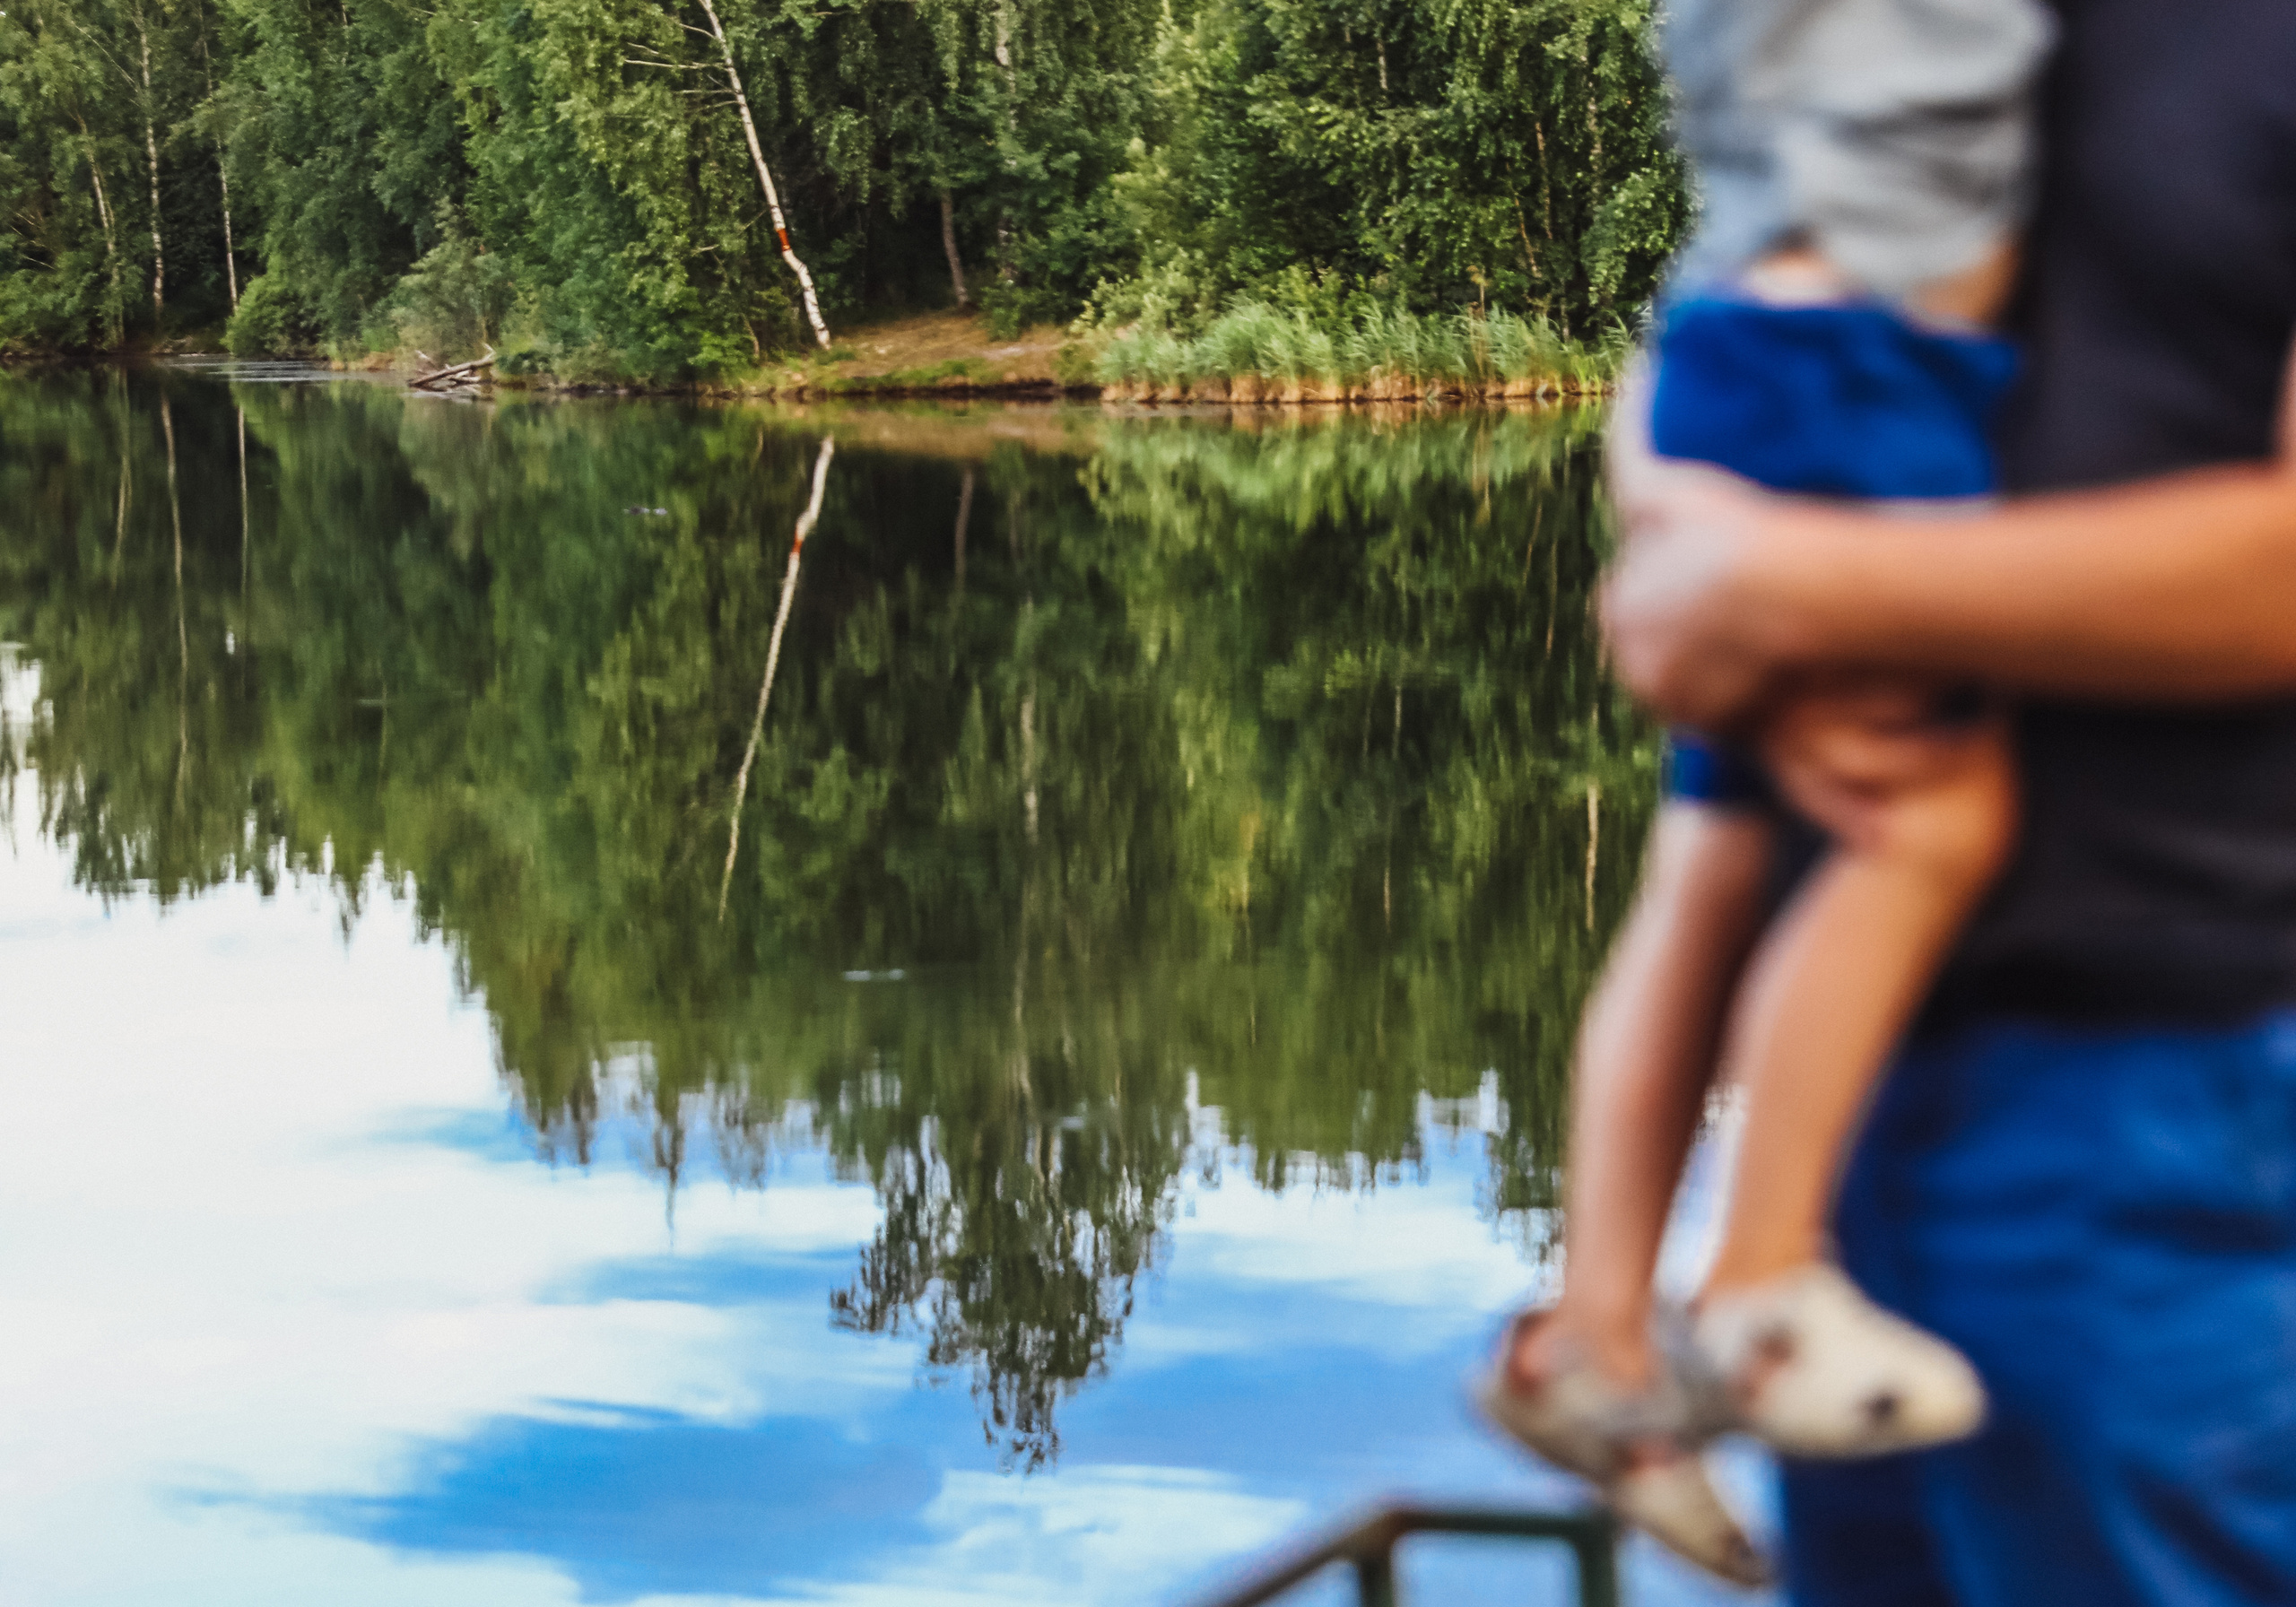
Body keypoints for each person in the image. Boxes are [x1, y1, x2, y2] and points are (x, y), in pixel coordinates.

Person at [1599, 2, 2296, 1601]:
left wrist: (1800, 590)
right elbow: (1712, 319)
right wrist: (1671, 535)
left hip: (2154, 1099)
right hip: (1839, 1107)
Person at [1477, 0, 2051, 1584]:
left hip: (1737, 349)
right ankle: (1761, 1276)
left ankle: (1601, 1330)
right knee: (1926, 821)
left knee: (1706, 875)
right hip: (1859, 370)